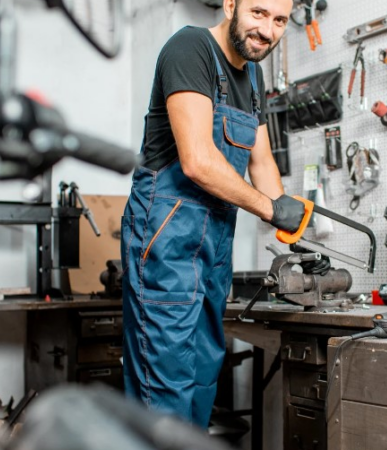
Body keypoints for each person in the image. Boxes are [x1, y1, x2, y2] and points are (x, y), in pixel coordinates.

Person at [120, 0, 303, 429]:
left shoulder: (252, 76)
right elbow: (198, 161)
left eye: (279, 21)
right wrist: (271, 210)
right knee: (163, 386)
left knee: (203, 377)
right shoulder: (190, 48)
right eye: (259, 13)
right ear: (230, 4)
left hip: (212, 248)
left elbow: (261, 162)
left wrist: (294, 230)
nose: (268, 30)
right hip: (166, 240)